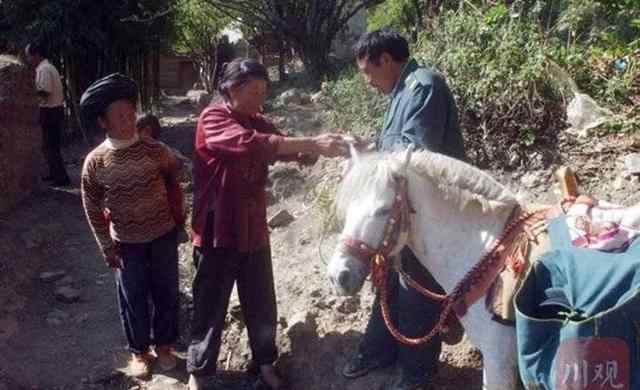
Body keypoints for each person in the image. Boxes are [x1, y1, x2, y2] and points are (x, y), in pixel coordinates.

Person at [187, 58, 349, 390]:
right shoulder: (214, 118)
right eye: (256, 91)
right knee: (210, 304)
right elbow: (252, 145)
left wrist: (321, 149)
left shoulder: (256, 120)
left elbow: (282, 144)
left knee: (261, 301)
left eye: (265, 91)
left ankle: (264, 364)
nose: (262, 98)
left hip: (253, 229)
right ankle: (199, 372)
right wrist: (310, 143)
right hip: (218, 230)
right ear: (232, 89)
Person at [343, 28, 466, 390]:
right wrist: (368, 150)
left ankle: (417, 372)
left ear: (386, 60)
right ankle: (380, 351)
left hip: (429, 209)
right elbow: (394, 147)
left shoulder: (422, 86)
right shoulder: (401, 91)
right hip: (406, 206)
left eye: (368, 71)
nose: (367, 81)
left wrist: (374, 156)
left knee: (415, 286)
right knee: (390, 281)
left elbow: (415, 153)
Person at [79, 74, 184, 378]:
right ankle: (140, 351)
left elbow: (176, 172)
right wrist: (106, 245)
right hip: (127, 242)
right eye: (119, 116)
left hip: (162, 234)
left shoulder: (154, 149)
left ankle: (165, 346)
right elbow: (91, 205)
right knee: (133, 296)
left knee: (166, 291)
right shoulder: (96, 162)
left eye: (130, 114)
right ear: (103, 122)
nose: (127, 121)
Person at [25, 42, 70, 186]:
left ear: (37, 55)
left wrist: (28, 90)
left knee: (51, 146)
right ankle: (54, 173)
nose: (28, 59)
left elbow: (45, 91)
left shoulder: (44, 69)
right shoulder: (47, 67)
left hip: (50, 111)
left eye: (29, 56)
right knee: (49, 146)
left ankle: (60, 178)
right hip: (53, 110)